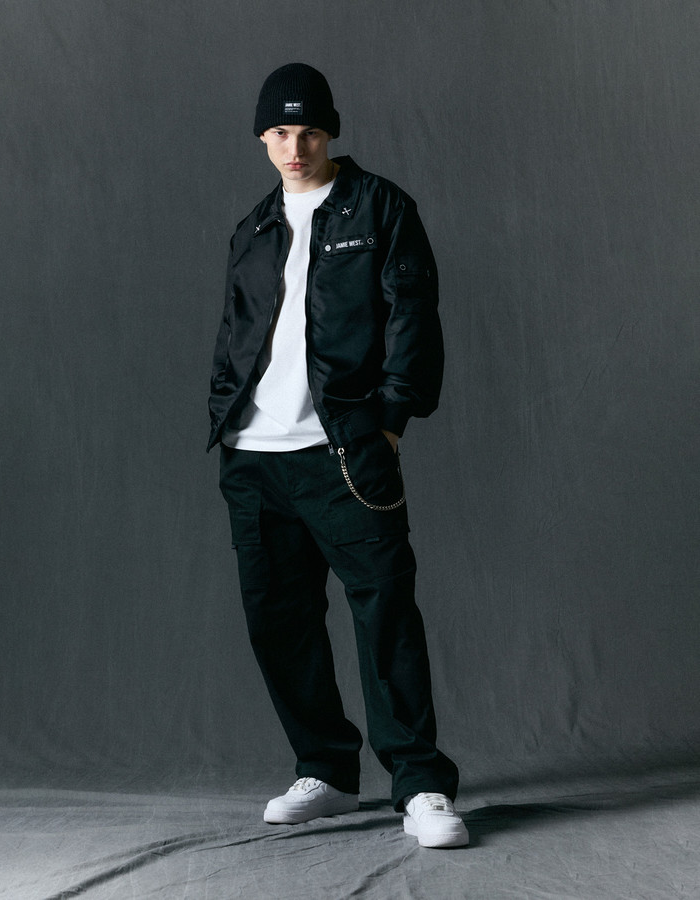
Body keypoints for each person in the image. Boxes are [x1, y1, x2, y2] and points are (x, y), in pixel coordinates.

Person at [208, 63, 468, 849]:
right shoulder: (253, 229)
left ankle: (419, 783)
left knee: (385, 612)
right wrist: (224, 414)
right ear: (262, 138)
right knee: (278, 622)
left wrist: (390, 421)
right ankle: (325, 769)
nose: (296, 148)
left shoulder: (380, 208)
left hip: (346, 452)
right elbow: (234, 332)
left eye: (310, 132)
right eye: (281, 132)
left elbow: (413, 314)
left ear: (332, 134)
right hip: (255, 459)